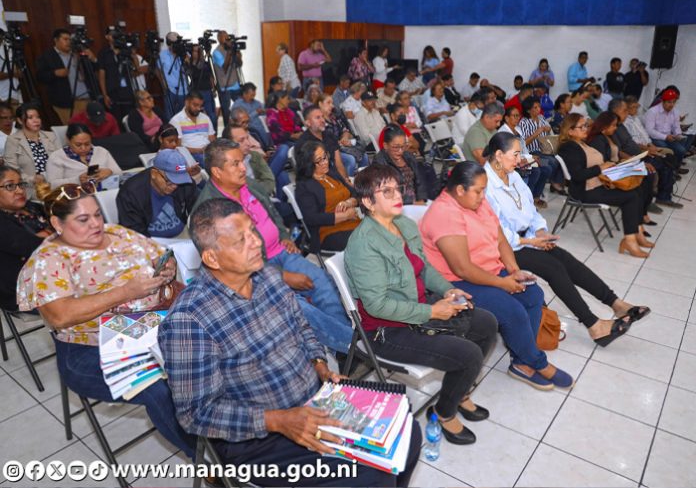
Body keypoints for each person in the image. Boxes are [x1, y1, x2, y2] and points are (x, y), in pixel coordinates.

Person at [159, 198, 420, 487]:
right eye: (240, 240)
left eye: (252, 231)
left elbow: (302, 328)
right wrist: (279, 421)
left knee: (407, 433)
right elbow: (196, 414)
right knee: (370, 474)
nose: (255, 242)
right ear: (212, 259)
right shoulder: (189, 320)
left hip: (313, 401)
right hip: (257, 440)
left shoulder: (267, 275)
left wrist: (320, 365)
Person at [17, 183, 196, 459]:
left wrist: (166, 265)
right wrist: (126, 292)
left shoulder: (116, 232)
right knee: (158, 389)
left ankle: (227, 429)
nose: (96, 224)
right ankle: (207, 458)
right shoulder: (48, 261)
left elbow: (158, 252)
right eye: (83, 219)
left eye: (97, 214)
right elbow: (60, 315)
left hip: (149, 324)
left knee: (204, 353)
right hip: (90, 348)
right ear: (57, 223)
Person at [345, 164, 497, 444]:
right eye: (386, 191)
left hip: (417, 307)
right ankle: (443, 413)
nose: (396, 195)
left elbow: (423, 266)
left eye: (397, 188)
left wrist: (448, 290)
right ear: (368, 202)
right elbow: (377, 305)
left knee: (486, 323)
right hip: (387, 331)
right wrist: (432, 310)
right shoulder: (363, 245)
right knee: (468, 354)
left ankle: (458, 392)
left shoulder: (402, 224)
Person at [482, 132, 650, 345]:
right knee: (554, 268)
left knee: (567, 260)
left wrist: (540, 232)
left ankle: (616, 304)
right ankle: (594, 326)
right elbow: (497, 231)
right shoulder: (485, 184)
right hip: (506, 247)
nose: (519, 160)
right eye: (515, 154)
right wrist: (531, 242)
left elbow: (531, 210)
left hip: (529, 238)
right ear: (498, 155)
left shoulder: (513, 175)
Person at [419, 161, 574, 391]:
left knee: (532, 294)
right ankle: (536, 362)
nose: (483, 196)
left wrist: (513, 270)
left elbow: (500, 237)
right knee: (512, 310)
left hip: (488, 270)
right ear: (460, 190)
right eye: (479, 191)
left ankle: (521, 363)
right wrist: (502, 283)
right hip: (455, 283)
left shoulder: (475, 202)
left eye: (484, 190)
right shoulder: (444, 213)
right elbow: (462, 268)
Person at [193, 139, 353, 352]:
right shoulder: (208, 212)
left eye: (242, 161)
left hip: (282, 251)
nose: (243, 168)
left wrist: (284, 234)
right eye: (235, 164)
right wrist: (282, 275)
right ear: (217, 172)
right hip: (257, 273)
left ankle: (340, 353)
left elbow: (273, 211)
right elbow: (230, 267)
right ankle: (353, 347)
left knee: (323, 283)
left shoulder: (246, 184)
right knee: (298, 306)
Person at [557, 113, 652, 258]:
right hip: (584, 191)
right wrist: (601, 167)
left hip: (597, 184)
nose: (586, 129)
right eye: (581, 126)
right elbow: (577, 175)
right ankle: (630, 240)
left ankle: (636, 232)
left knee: (636, 188)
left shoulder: (581, 143)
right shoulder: (569, 147)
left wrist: (610, 168)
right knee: (631, 197)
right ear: (570, 131)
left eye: (586, 125)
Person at [0, 165, 52, 310]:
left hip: (55, 271)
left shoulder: (33, 207)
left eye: (21, 184)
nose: (19, 190)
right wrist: (51, 234)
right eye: (10, 186)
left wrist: (45, 236)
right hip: (24, 287)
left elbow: (66, 228)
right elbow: (33, 247)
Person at [116, 149, 198, 238]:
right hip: (149, 241)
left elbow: (198, 212)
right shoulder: (130, 193)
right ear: (154, 173)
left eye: (179, 180)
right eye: (169, 181)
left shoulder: (186, 184)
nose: (175, 186)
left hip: (183, 234)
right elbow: (134, 233)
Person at [295, 141, 360, 252]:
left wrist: (349, 202)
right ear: (309, 163)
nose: (325, 162)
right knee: (367, 240)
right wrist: (344, 216)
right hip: (328, 230)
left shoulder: (331, 173)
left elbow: (355, 193)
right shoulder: (304, 186)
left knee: (383, 228)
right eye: (318, 161)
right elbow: (312, 218)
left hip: (352, 221)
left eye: (325, 157)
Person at [36, 28, 98, 124]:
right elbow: (40, 76)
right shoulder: (47, 56)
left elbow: (93, 70)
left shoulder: (77, 53)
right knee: (76, 131)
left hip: (88, 99)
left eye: (70, 40)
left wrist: (93, 58)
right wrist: (55, 73)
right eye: (65, 39)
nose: (68, 42)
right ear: (56, 40)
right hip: (66, 103)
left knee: (93, 129)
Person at [3, 103, 59, 196]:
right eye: (30, 118)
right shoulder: (13, 141)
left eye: (38, 117)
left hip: (55, 184)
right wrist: (32, 179)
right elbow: (12, 171)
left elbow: (62, 161)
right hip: (31, 189)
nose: (36, 120)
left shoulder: (50, 136)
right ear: (20, 120)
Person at [498, 106, 551, 203]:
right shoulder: (503, 132)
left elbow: (524, 147)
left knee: (546, 165)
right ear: (506, 118)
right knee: (536, 171)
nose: (518, 118)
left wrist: (531, 157)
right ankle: (527, 200)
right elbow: (510, 154)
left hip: (526, 158)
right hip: (515, 161)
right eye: (515, 116)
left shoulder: (517, 129)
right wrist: (530, 158)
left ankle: (536, 196)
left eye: (518, 116)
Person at [46, 123, 121, 188]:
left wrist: (110, 171)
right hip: (77, 198)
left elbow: (120, 173)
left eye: (87, 144)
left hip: (104, 192)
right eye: (78, 145)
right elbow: (52, 185)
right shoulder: (57, 157)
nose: (83, 148)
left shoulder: (101, 151)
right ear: (68, 140)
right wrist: (77, 180)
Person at [97, 27, 148, 121]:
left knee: (130, 118)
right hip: (112, 91)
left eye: (116, 33)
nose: (114, 36)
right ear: (107, 36)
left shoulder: (125, 50)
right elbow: (101, 74)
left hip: (128, 91)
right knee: (116, 119)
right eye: (112, 34)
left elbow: (136, 69)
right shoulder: (103, 53)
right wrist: (104, 95)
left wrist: (131, 54)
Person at [517, 96, 564, 198]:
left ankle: (542, 191)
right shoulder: (524, 123)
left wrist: (548, 128)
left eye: (539, 106)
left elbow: (548, 128)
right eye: (535, 107)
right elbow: (523, 143)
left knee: (557, 161)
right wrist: (536, 134)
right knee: (548, 166)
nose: (538, 109)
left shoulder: (541, 118)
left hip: (543, 150)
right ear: (528, 110)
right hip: (531, 153)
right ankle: (534, 195)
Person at [224, 123, 283, 199]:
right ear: (229, 144)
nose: (248, 144)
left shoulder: (255, 156)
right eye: (242, 140)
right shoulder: (225, 166)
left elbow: (269, 182)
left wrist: (254, 192)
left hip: (264, 199)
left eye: (247, 138)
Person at [373, 125, 427, 204]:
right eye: (396, 147)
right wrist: (412, 202)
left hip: (416, 202)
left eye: (403, 146)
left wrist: (421, 199)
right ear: (385, 145)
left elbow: (420, 180)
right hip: (397, 204)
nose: (400, 151)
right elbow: (388, 191)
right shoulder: (379, 163)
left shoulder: (408, 156)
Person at [318, 94, 368, 175]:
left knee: (364, 156)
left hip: (342, 147)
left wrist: (345, 137)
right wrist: (338, 143)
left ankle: (363, 183)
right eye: (328, 103)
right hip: (329, 150)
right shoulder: (318, 120)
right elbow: (321, 140)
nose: (332, 105)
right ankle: (346, 183)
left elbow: (346, 130)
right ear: (320, 104)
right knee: (350, 160)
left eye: (332, 103)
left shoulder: (334, 117)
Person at [297, 105, 350, 180]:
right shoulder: (303, 143)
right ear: (308, 123)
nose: (322, 120)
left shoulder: (329, 135)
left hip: (335, 178)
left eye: (322, 116)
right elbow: (309, 173)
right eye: (318, 118)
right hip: (317, 183)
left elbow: (338, 163)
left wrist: (346, 181)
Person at [643, 89, 691, 168]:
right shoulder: (652, 112)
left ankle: (675, 169)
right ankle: (669, 169)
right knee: (667, 149)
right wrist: (665, 137)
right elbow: (649, 131)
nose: (671, 105)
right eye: (669, 102)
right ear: (663, 101)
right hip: (655, 137)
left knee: (682, 150)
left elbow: (676, 126)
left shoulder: (675, 112)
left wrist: (678, 134)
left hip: (669, 137)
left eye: (674, 102)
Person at [169, 90, 216, 166]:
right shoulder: (176, 120)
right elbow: (178, 147)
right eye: (195, 105)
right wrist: (198, 151)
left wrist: (210, 149)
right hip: (191, 155)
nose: (198, 108)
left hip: (208, 152)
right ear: (187, 102)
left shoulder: (205, 118)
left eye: (200, 106)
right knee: (210, 163)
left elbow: (212, 139)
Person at [213, 30, 244, 127]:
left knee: (241, 106)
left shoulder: (231, 49)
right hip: (224, 85)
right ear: (219, 39)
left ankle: (240, 126)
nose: (227, 39)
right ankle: (228, 131)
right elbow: (225, 68)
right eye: (224, 37)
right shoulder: (217, 52)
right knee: (226, 112)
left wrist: (238, 53)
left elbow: (239, 64)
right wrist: (230, 53)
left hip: (235, 84)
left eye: (228, 37)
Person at [158, 32, 189, 122]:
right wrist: (163, 85)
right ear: (168, 43)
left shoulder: (184, 54)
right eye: (173, 43)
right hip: (170, 90)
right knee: (170, 117)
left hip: (184, 90)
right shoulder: (162, 55)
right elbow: (158, 70)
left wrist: (185, 58)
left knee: (184, 117)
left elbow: (189, 69)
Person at [232, 83, 271, 148]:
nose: (253, 97)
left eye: (254, 95)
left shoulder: (256, 102)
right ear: (244, 94)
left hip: (262, 126)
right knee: (257, 132)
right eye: (251, 95)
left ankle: (269, 147)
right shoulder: (238, 105)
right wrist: (256, 112)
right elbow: (240, 120)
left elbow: (264, 110)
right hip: (249, 128)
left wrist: (264, 111)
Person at [189, 44, 218, 133]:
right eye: (195, 51)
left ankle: (214, 133)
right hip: (196, 92)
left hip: (207, 91)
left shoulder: (205, 63)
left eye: (199, 51)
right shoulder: (189, 64)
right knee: (198, 115)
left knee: (212, 115)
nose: (197, 53)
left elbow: (211, 77)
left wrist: (213, 88)